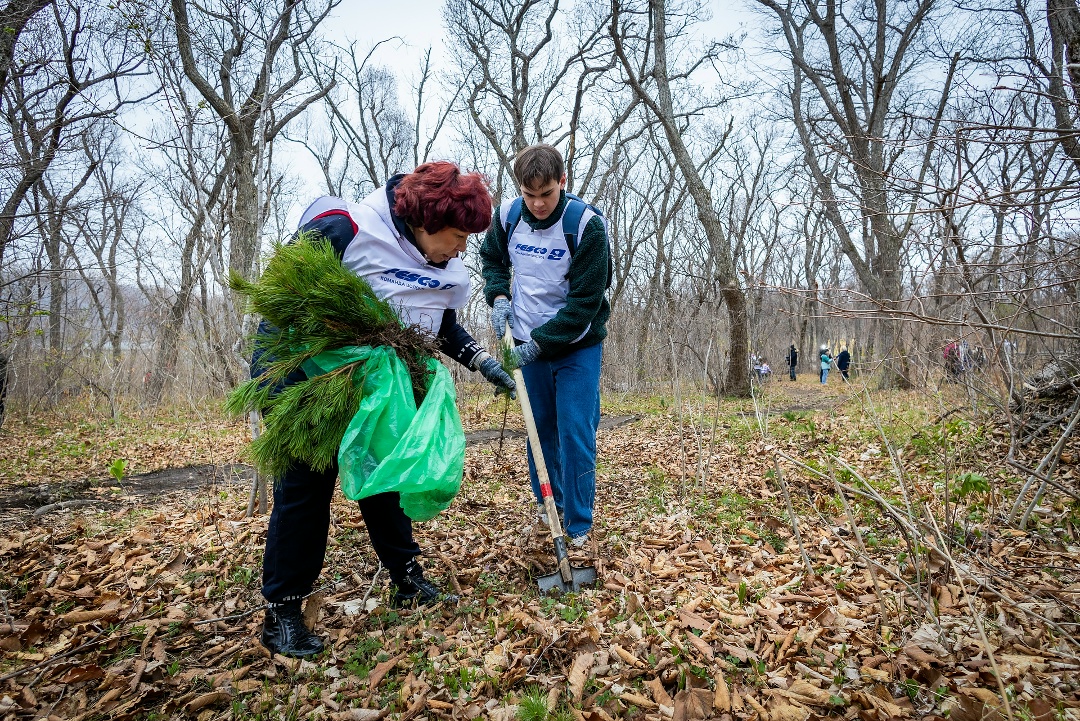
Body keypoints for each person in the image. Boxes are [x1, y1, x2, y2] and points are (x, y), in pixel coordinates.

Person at [253, 162, 515, 658]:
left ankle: (406, 577)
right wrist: (272, 391)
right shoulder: (345, 230)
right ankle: (283, 612)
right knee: (306, 491)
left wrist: (480, 361)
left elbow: (438, 325)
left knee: (387, 475)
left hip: (378, 388)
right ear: (426, 222)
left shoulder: (438, 265)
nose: (463, 248)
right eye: (459, 236)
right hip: (313, 381)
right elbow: (279, 300)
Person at [480, 144, 609, 549]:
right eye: (529, 193)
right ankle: (547, 509)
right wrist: (499, 296)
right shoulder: (507, 216)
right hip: (523, 339)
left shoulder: (586, 226)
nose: (537, 203)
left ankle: (579, 525)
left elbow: (585, 304)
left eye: (546, 193)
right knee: (540, 431)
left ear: (562, 183)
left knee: (575, 431)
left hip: (577, 346)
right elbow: (493, 260)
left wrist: (541, 345)